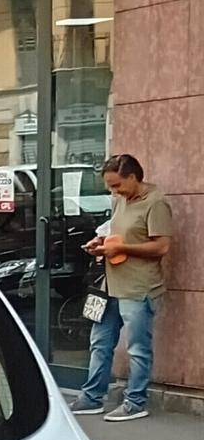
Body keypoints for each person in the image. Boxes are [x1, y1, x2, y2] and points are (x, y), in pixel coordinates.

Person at [72, 154, 173, 422]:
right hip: (109, 285)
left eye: (117, 185)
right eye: (110, 186)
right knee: (100, 343)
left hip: (138, 287)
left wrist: (122, 248)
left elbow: (161, 246)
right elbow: (116, 232)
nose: (113, 191)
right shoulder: (121, 201)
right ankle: (92, 398)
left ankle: (135, 402)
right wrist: (100, 242)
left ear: (132, 176)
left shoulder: (156, 203)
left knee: (137, 347)